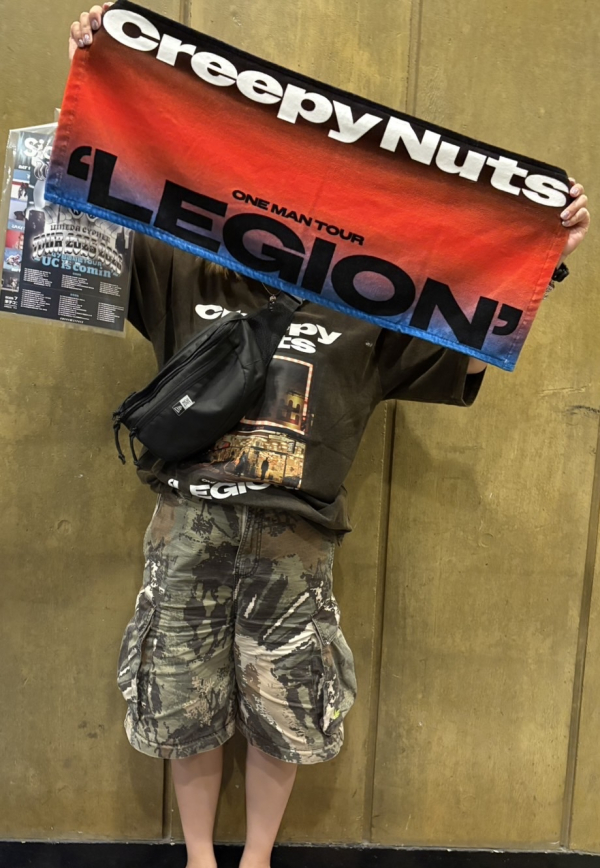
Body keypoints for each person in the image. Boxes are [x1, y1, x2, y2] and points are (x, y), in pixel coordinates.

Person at [69, 8, 590, 868]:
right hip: (187, 522)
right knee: (182, 698)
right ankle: (199, 858)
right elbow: (92, 214)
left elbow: (467, 333)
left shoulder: (373, 302)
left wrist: (542, 250)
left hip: (298, 536)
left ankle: (256, 859)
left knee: (287, 706)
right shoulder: (185, 266)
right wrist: (101, 71)